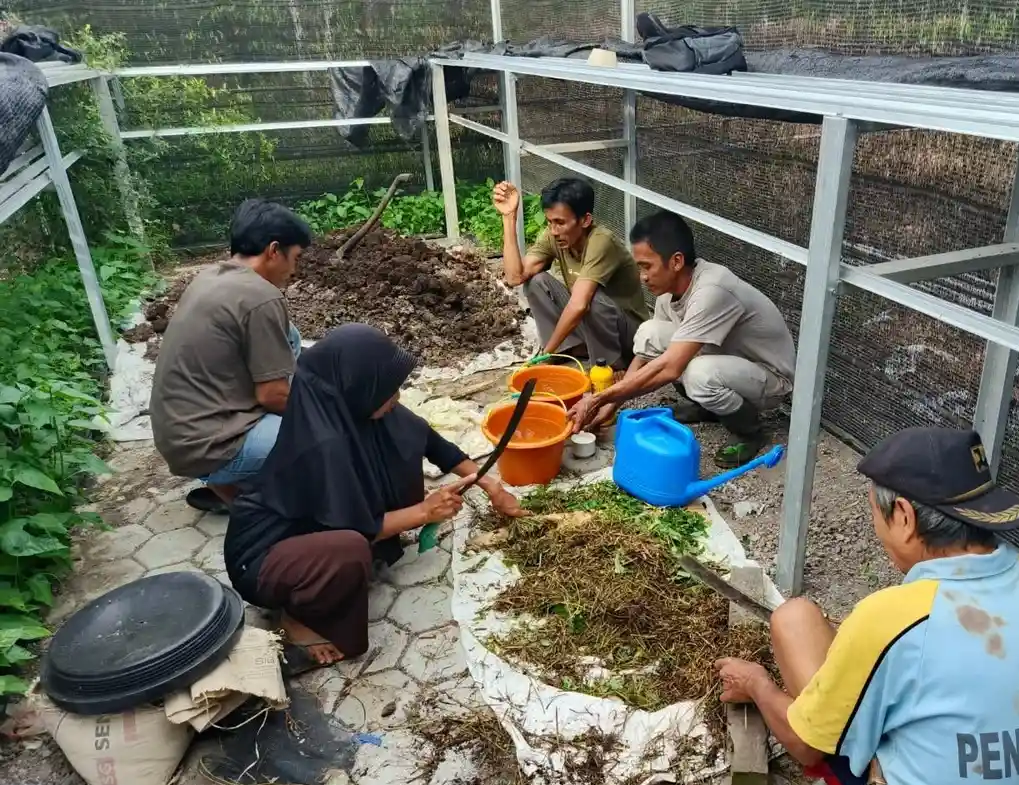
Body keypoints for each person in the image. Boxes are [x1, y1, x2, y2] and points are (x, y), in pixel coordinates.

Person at [713, 427, 1019, 785]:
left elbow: (805, 744)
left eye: (875, 513)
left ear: (905, 518)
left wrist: (757, 683)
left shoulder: (891, 619)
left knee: (794, 619)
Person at [223, 323, 526, 670]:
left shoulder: (358, 408)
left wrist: (491, 486)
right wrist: (424, 512)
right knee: (350, 548)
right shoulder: (322, 445)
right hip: (265, 559)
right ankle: (295, 618)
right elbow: (359, 530)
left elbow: (431, 442)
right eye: (388, 390)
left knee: (400, 438)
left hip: (316, 536)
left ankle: (328, 579)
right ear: (358, 388)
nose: (395, 397)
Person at [569, 211, 795, 466]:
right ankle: (709, 408)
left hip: (770, 376)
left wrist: (599, 398)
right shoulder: (669, 293)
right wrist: (612, 406)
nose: (642, 276)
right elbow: (649, 353)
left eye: (647, 266)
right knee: (649, 332)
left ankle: (750, 433)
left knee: (699, 374)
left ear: (676, 261)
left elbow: (670, 366)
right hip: (727, 360)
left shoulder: (712, 290)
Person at [150, 199, 310, 513]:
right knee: (324, 436)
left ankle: (231, 488)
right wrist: (327, 411)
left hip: (177, 432)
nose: (294, 270)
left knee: (290, 334)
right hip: (209, 444)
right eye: (295, 258)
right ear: (274, 250)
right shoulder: (261, 296)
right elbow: (272, 396)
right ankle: (255, 500)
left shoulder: (211, 276)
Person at [493, 177, 648, 368]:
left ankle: (612, 363)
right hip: (595, 326)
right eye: (550, 222)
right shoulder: (554, 237)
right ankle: (567, 350)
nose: (554, 230)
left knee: (589, 299)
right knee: (536, 281)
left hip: (630, 334)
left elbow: (579, 305)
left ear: (585, 220)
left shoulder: (601, 242)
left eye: (560, 222)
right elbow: (515, 277)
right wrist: (509, 218)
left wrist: (544, 353)